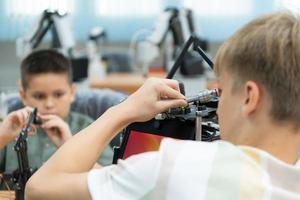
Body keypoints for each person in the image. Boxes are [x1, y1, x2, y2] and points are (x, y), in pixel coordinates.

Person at [26, 12, 300, 199]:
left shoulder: (177, 168)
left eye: (221, 91)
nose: (218, 106)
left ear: (250, 97)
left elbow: (39, 190)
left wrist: (123, 110)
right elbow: (130, 182)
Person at [0, 49, 113, 183]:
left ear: (72, 92)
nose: (49, 104)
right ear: (23, 96)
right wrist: (2, 136)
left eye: (58, 94)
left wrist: (70, 146)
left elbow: (111, 181)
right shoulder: (9, 127)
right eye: (39, 96)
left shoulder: (91, 129)